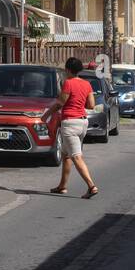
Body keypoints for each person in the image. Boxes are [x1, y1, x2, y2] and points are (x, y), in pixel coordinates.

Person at [50, 57, 99, 199]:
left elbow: (60, 103)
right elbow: (91, 105)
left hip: (70, 123)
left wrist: (46, 114)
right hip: (83, 123)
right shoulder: (87, 84)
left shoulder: (68, 83)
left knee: (76, 156)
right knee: (66, 155)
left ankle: (91, 186)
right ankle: (62, 186)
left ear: (68, 69)